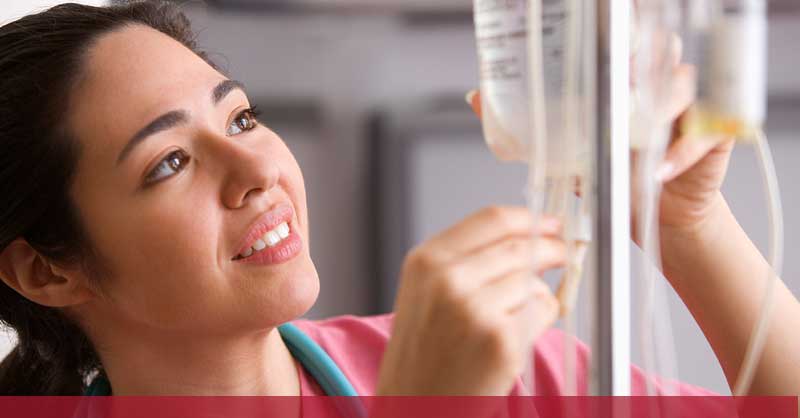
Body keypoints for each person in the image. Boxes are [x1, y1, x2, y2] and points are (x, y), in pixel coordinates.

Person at [0, 1, 795, 397]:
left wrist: (689, 226)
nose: (256, 169)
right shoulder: (444, 382)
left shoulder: (511, 371)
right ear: (47, 273)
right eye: (169, 162)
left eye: (241, 116)